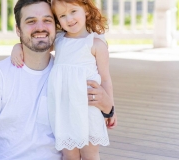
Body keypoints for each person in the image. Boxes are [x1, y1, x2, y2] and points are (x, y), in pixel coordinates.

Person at [0, 0, 116, 160]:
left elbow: (104, 87)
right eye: (31, 21)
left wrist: (109, 108)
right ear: (18, 29)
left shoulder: (71, 65)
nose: (40, 27)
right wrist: (17, 47)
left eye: (47, 20)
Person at [10, 0, 117, 160]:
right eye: (62, 15)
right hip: (63, 109)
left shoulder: (95, 44)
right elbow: (35, 44)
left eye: (73, 11)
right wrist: (17, 47)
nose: (69, 19)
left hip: (87, 108)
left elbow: (106, 79)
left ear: (86, 10)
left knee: (90, 154)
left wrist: (109, 108)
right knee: (69, 154)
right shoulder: (59, 40)